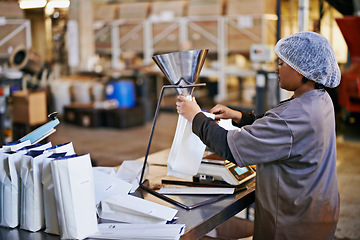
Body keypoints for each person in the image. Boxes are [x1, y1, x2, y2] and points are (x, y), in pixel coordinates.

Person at [176, 31, 341, 240]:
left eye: (281, 63)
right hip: (317, 211)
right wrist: (239, 116)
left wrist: (196, 116)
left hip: (292, 225)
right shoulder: (319, 99)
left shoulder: (293, 116)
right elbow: (279, 129)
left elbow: (230, 146)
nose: (276, 68)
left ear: (302, 71)